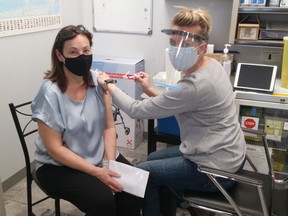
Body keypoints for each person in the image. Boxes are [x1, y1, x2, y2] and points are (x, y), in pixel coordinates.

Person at [97, 7, 247, 216]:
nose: (177, 50)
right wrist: (149, 89)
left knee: (144, 173)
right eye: (173, 43)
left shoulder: (195, 84)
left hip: (215, 170)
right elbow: (178, 98)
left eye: (185, 45)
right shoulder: (212, 65)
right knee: (151, 159)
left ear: (202, 47)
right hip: (227, 155)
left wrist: (109, 85)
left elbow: (135, 110)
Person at [31, 24, 141, 216]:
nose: (81, 57)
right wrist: (97, 172)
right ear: (60, 56)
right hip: (57, 165)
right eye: (73, 52)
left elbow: (108, 127)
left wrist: (108, 163)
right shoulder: (50, 93)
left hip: (96, 156)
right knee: (102, 201)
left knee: (134, 189)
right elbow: (55, 149)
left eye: (86, 50)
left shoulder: (97, 81)